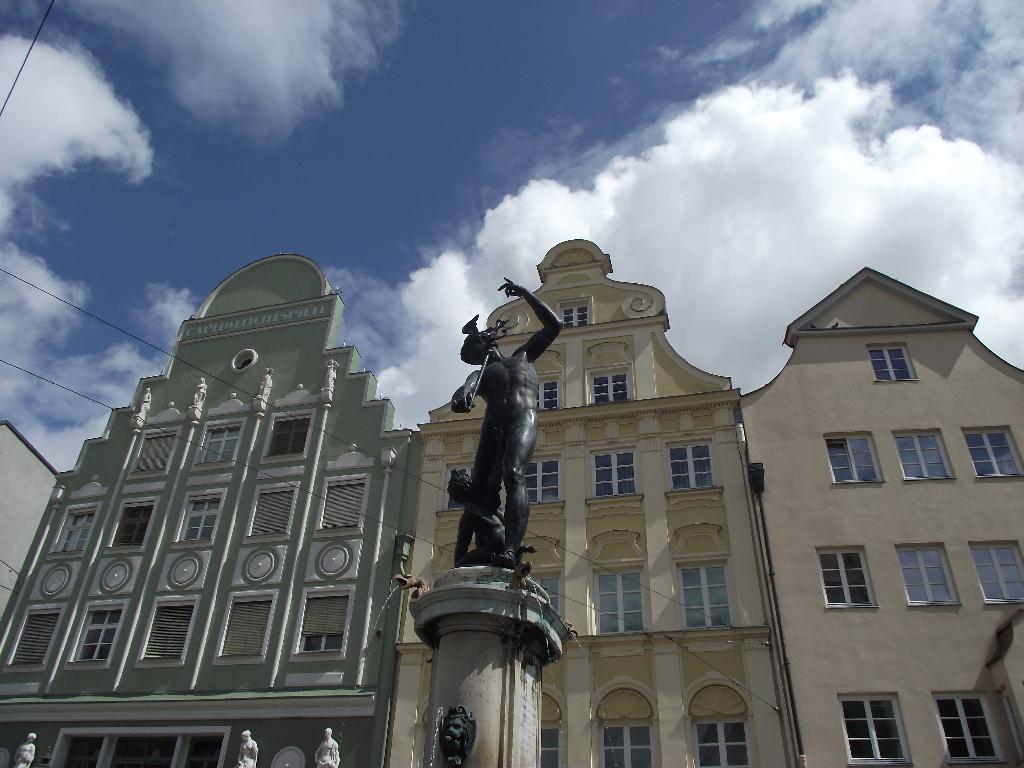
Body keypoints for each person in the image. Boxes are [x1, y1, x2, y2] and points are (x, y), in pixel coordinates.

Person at [451, 277, 560, 566]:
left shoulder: (523, 357)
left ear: (487, 342)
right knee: (480, 492)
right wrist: (460, 399)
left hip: (523, 418)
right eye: (472, 356)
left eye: (475, 350)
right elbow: (464, 391)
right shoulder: (480, 375)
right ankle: (481, 550)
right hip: (493, 426)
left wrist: (525, 294)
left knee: (513, 474)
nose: (476, 358)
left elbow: (554, 326)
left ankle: (510, 548)